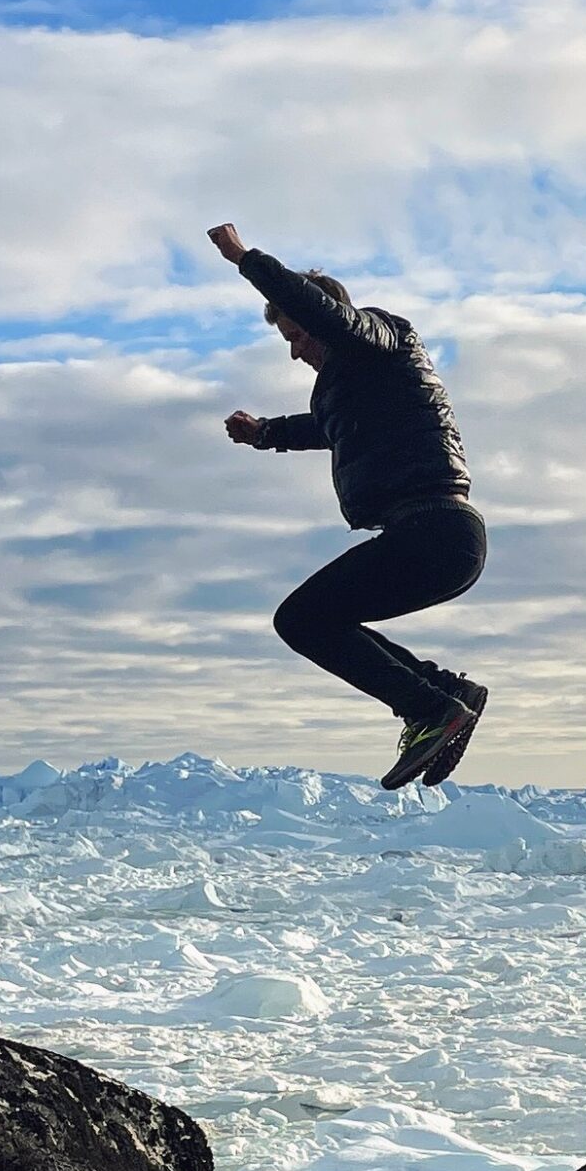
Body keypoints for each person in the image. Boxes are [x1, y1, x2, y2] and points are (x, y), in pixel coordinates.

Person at [209, 222, 488, 790]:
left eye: (298, 335)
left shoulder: (383, 336)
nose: (295, 352)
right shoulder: (362, 386)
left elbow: (328, 316)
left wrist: (246, 260)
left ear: (320, 318)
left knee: (301, 619)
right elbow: (331, 427)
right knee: (324, 618)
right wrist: (265, 433)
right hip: (431, 534)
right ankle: (445, 695)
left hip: (435, 530)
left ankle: (431, 709)